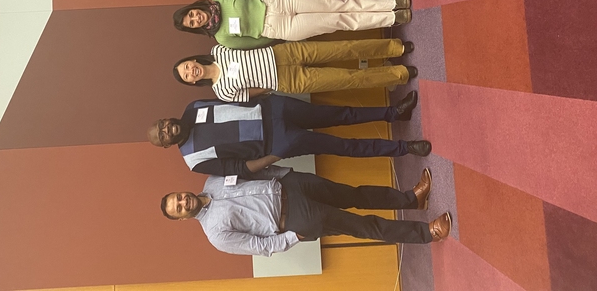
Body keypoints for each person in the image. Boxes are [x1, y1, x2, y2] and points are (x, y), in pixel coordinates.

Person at [161, 166, 452, 255]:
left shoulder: (211, 181)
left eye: (179, 197)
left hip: (292, 185)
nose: (184, 201)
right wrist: (293, 237)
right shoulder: (215, 235)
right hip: (295, 220)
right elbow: (259, 247)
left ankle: (410, 200)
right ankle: (427, 233)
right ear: (182, 218)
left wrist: (286, 173)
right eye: (179, 207)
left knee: (354, 193)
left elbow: (251, 171)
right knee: (362, 225)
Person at [147, 94, 432, 175]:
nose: (166, 129)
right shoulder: (193, 161)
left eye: (162, 124)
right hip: (277, 143)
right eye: (162, 135)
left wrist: (267, 95)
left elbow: (233, 99)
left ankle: (395, 113)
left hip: (274, 109)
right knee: (343, 146)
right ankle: (405, 147)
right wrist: (276, 155)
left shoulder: (192, 106)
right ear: (166, 145)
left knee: (339, 114)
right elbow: (237, 168)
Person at [173, 38, 417, 101]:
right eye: (187, 75)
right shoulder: (222, 92)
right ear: (192, 82)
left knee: (345, 48)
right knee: (348, 79)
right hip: (288, 80)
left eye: (186, 66)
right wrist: (271, 84)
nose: (190, 70)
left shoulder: (218, 50)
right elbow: (252, 93)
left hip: (284, 53)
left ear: (192, 60)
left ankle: (396, 48)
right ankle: (400, 74)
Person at [173, 0, 412, 50]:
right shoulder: (222, 38)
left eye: (192, 14)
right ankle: (392, 18)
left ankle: (392, 3)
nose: (196, 18)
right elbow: (255, 43)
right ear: (196, 29)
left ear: (194, 8)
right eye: (193, 23)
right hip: (278, 28)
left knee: (339, 3)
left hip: (276, 2)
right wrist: (277, 34)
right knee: (339, 22)